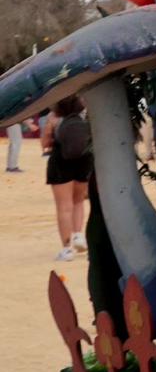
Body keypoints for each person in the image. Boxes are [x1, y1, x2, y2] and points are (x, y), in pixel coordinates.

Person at [42, 95, 92, 260]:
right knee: (78, 201)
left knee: (64, 207)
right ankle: (78, 235)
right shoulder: (84, 116)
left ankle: (67, 248)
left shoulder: (54, 118)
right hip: (84, 160)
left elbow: (45, 143)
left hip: (60, 161)